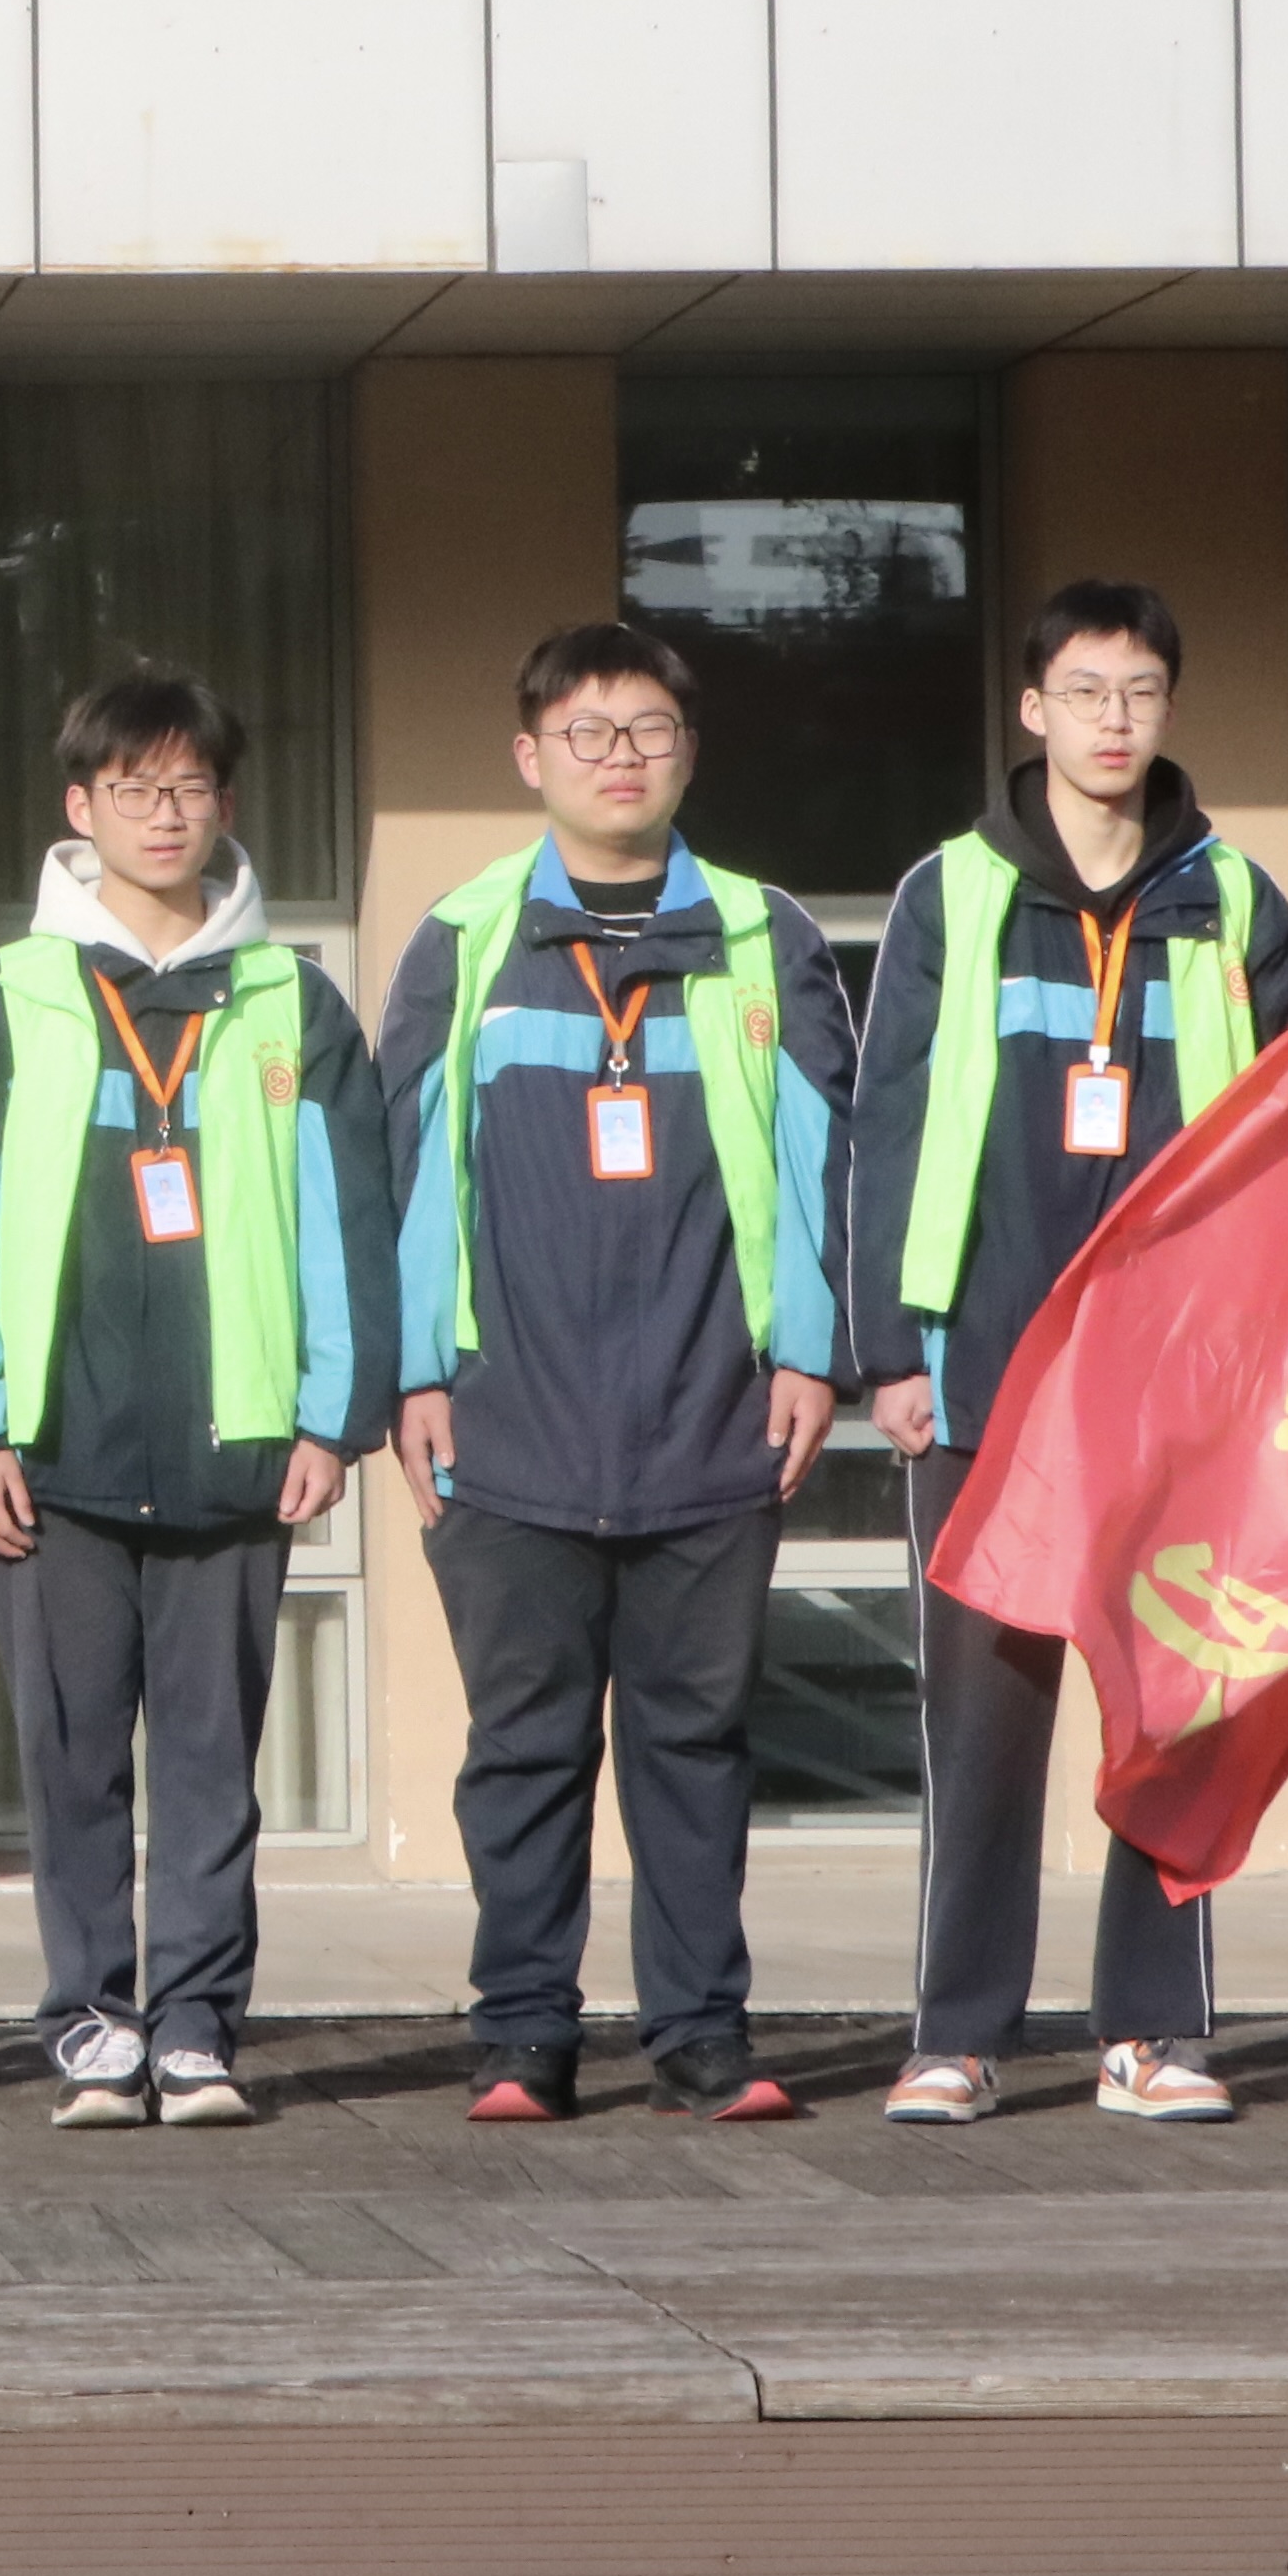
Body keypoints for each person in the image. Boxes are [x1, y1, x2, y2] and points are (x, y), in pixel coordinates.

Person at [380, 624, 857, 2128]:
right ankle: (521, 2031)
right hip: (504, 1416)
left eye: (647, 729)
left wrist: (810, 1353)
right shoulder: (464, 940)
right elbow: (401, 1172)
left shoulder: (762, 936)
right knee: (519, 1745)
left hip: (712, 1414)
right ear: (530, 758)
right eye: (586, 734)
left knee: (694, 1743)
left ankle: (702, 2030)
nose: (620, 756)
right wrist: (414, 1371)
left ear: (687, 752)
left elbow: (824, 1160)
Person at [848, 582, 1288, 2128]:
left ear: (1169, 711)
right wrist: (887, 1356)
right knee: (983, 1722)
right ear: (1031, 710)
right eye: (1087, 692)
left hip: (1183, 1384)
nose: (1115, 721)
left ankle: (1155, 2030)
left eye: (1142, 693)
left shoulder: (1235, 900)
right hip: (983, 1370)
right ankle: (960, 2033)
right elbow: (887, 1130)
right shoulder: (951, 895)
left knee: (1171, 1704)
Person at [0, 672, 399, 2130]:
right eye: (133, 788)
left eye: (189, 787)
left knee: (209, 1756)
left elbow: (347, 1222)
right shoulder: (8, 995)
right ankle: (89, 2017)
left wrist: (333, 1416)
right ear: (81, 811)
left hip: (237, 1441)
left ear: (227, 807)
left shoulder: (291, 999)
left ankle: (193, 2023)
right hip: (53, 1452)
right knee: (69, 1754)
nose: (164, 812)